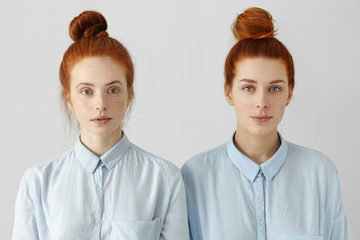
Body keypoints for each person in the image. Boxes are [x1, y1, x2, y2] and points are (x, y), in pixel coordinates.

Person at [12, 10, 189, 240]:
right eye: (86, 91)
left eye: (113, 90)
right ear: (69, 99)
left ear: (129, 94)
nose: (101, 104)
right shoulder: (37, 183)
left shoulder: (164, 179)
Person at [181, 7, 350, 240]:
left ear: (289, 93)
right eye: (248, 88)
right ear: (229, 92)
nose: (261, 102)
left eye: (274, 88)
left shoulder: (320, 173)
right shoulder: (194, 175)